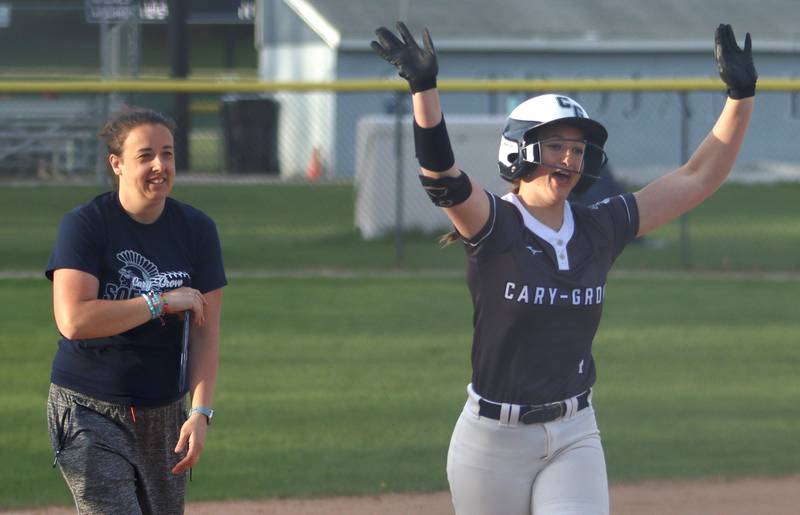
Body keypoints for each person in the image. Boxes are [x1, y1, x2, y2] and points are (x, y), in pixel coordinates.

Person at [372, 22, 755, 515]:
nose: (569, 160)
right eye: (556, 146)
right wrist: (424, 89)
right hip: (493, 442)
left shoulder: (601, 226)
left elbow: (698, 176)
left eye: (577, 150)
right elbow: (440, 176)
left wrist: (740, 95)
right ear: (520, 151)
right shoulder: (495, 223)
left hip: (575, 432)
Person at [45, 107, 226, 514]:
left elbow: (204, 333)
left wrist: (200, 412)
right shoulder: (86, 225)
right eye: (145, 155)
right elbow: (74, 320)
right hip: (88, 407)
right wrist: (158, 301)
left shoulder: (197, 230)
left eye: (168, 153)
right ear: (117, 164)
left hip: (165, 413)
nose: (160, 165)